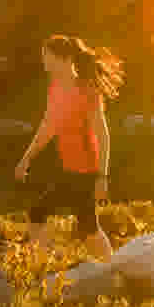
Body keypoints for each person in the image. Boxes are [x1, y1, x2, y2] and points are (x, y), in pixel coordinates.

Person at [15, 34, 120, 261]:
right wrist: (26, 158)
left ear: (61, 58)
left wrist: (102, 177)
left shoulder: (87, 89)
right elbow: (48, 126)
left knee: (87, 229)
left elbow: (103, 134)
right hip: (68, 168)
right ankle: (46, 262)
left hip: (86, 172)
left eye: (46, 57)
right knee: (41, 214)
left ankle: (111, 268)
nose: (43, 62)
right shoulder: (55, 88)